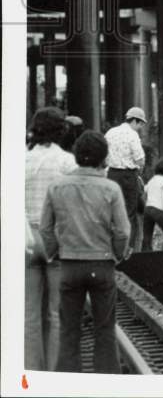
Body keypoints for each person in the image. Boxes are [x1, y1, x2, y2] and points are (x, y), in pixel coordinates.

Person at [40, 130, 131, 374]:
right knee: (105, 330)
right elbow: (122, 231)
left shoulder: (57, 187)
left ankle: (70, 383)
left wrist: (55, 253)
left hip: (69, 265)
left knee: (69, 330)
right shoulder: (111, 189)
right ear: (104, 157)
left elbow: (45, 228)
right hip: (101, 266)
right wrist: (117, 255)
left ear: (77, 155)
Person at [25, 107, 77, 371]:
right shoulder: (67, 162)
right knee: (56, 314)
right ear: (61, 131)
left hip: (27, 239)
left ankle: (31, 372)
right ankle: (55, 373)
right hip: (55, 238)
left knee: (30, 315)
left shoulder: (22, 160)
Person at [104, 106, 146, 249]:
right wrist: (139, 172)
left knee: (112, 213)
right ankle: (129, 250)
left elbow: (103, 154)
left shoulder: (110, 133)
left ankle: (112, 249)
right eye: (140, 124)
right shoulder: (132, 135)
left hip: (111, 175)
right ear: (134, 120)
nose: (140, 128)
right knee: (129, 214)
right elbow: (140, 159)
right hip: (128, 176)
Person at [141, 158, 163, 252]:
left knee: (147, 236)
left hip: (147, 209)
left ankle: (145, 255)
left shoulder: (151, 180)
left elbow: (145, 192)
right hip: (157, 210)